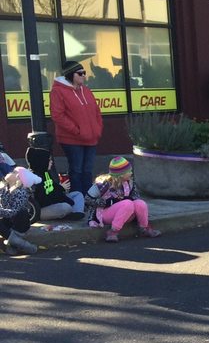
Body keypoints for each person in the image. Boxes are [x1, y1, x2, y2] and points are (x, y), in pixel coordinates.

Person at [50, 59, 104, 198]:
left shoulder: (86, 90)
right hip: (71, 139)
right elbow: (58, 115)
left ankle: (89, 198)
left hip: (91, 138)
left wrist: (97, 129)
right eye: (80, 73)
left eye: (84, 73)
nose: (83, 76)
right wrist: (77, 130)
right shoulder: (58, 91)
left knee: (87, 170)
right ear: (71, 75)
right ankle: (78, 198)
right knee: (76, 170)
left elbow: (97, 112)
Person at [85, 156, 162, 242]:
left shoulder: (130, 183)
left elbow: (135, 198)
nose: (131, 173)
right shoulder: (102, 184)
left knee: (140, 203)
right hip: (105, 214)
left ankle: (144, 227)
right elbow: (88, 199)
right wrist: (105, 202)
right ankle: (113, 232)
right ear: (120, 174)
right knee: (127, 203)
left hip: (126, 212)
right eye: (129, 171)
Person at [25, 146, 84, 221]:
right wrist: (61, 193)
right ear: (42, 161)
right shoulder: (33, 179)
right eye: (49, 160)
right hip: (40, 210)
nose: (51, 162)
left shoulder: (46, 173)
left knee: (78, 194)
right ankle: (68, 213)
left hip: (53, 202)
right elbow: (42, 200)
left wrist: (60, 188)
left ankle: (76, 214)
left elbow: (54, 189)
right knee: (65, 207)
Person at [0, 167, 40, 255]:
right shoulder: (3, 188)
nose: (10, 172)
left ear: (18, 177)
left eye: (13, 172)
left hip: (20, 223)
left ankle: (17, 245)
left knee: (21, 211)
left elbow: (13, 212)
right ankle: (19, 244)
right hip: (8, 220)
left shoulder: (21, 192)